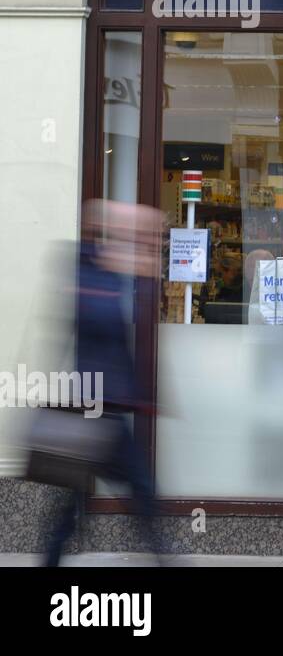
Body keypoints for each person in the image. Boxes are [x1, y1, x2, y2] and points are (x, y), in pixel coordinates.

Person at [45, 200, 168, 567]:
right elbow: (94, 326)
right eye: (141, 235)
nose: (147, 244)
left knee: (71, 505)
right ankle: (167, 560)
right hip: (93, 407)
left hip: (103, 405)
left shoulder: (110, 274)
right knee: (141, 491)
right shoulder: (87, 268)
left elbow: (119, 346)